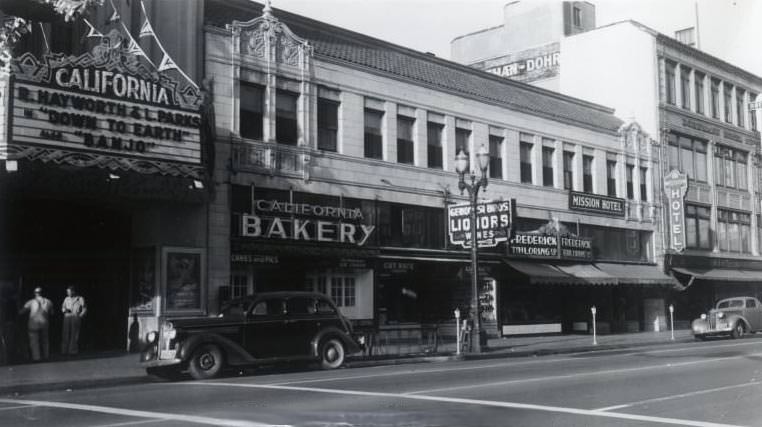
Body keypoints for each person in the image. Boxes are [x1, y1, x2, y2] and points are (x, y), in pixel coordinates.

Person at [19, 287, 53, 362]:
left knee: (34, 341)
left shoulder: (30, 302)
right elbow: (52, 313)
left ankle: (36, 357)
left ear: (34, 293)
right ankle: (46, 356)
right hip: (44, 323)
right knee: (45, 340)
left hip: (33, 324)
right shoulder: (48, 301)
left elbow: (22, 312)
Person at [61, 286, 86, 355]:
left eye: (69, 292)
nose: (68, 293)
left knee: (74, 334)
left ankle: (72, 351)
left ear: (73, 291)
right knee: (65, 333)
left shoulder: (80, 298)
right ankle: (64, 350)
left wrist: (80, 316)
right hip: (67, 316)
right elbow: (63, 307)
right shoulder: (66, 299)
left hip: (75, 316)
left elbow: (84, 308)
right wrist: (64, 310)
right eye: (67, 292)